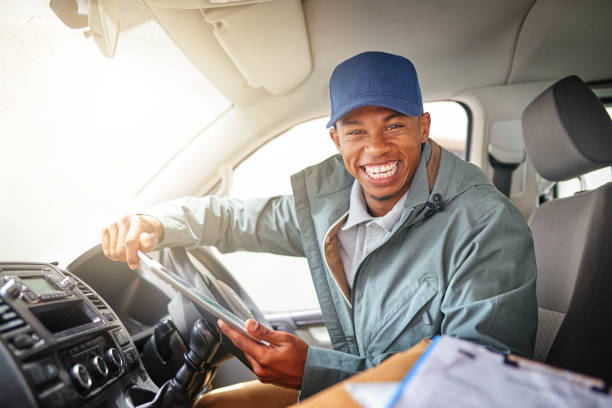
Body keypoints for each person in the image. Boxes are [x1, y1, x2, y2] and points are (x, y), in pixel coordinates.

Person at [101, 51, 537, 399]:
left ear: (423, 127)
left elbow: (478, 382)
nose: (376, 149)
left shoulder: (487, 225)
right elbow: (237, 218)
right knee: (212, 405)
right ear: (336, 139)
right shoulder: (330, 210)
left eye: (394, 125)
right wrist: (156, 221)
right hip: (365, 389)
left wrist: (316, 369)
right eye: (356, 132)